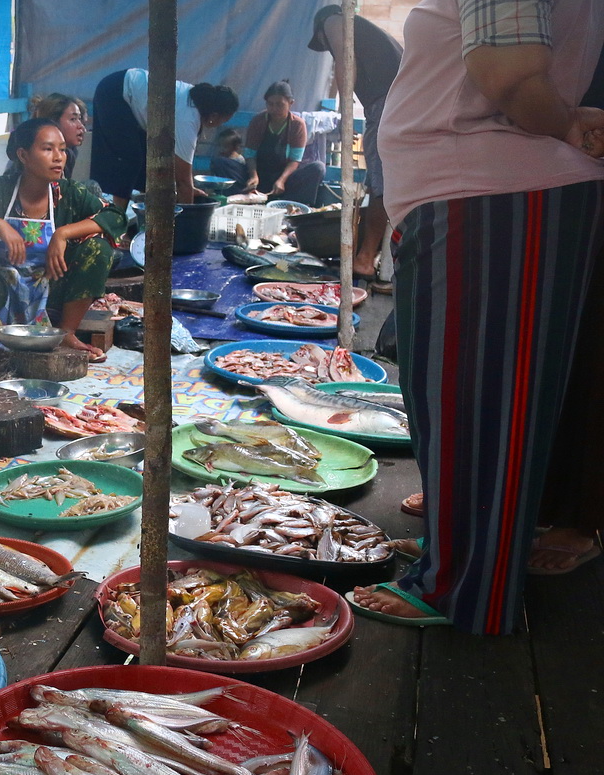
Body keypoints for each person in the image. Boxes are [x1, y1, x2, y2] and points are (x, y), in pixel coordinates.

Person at [348, 0, 604, 633]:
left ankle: (462, 587)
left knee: (478, 404)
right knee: (457, 399)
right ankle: (461, 550)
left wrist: (567, 125)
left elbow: (508, 70)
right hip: (476, 188)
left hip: (491, 190)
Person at [0, 117, 126, 362]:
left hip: (51, 290)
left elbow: (115, 216)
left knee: (98, 247)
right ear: (23, 155)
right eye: (48, 149)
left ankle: (66, 332)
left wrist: (63, 234)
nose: (59, 157)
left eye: (62, 149)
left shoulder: (68, 193)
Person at [307, 4, 402, 285]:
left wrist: (344, 111)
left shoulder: (332, 20)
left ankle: (365, 259)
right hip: (399, 100)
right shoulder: (372, 35)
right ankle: (371, 255)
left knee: (381, 182)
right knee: (380, 181)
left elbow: (345, 59)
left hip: (388, 103)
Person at [89, 67, 239, 213]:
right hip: (115, 92)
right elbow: (183, 181)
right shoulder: (188, 119)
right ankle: (117, 218)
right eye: (224, 120)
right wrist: (187, 218)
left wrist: (188, 189)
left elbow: (181, 175)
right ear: (214, 116)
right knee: (130, 161)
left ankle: (145, 212)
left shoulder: (196, 100)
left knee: (149, 163)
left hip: (125, 89)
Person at [243, 79, 326, 206]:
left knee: (318, 168)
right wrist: (253, 176)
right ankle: (250, 197)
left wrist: (281, 180)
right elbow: (250, 154)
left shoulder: (297, 125)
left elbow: (295, 160)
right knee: (223, 164)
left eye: (279, 105)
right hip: (259, 176)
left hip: (285, 179)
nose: (274, 109)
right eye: (270, 104)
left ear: (290, 103)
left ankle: (291, 206)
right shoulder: (258, 121)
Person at [31, 93, 88, 179]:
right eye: (73, 119)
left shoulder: (70, 153)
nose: (81, 127)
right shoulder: (36, 155)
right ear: (53, 122)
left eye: (79, 119)